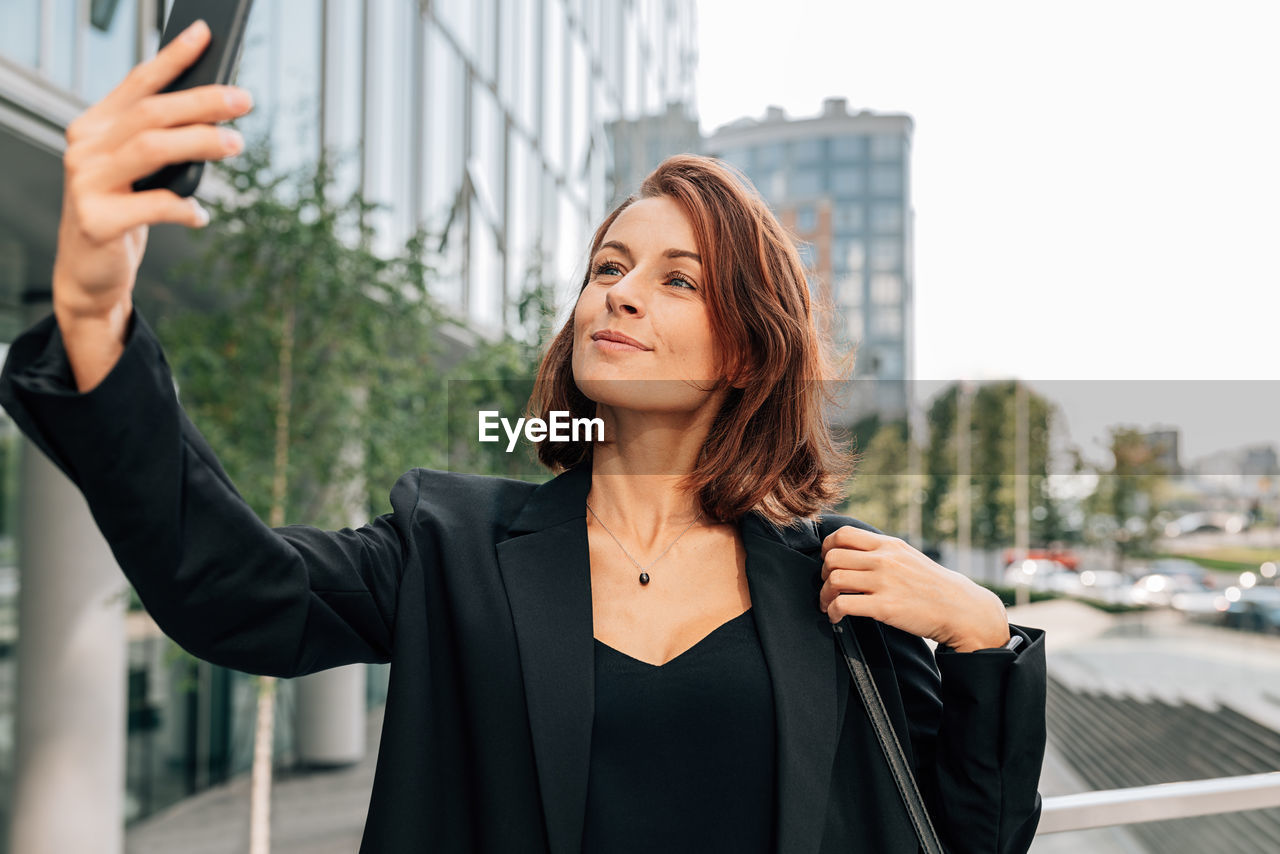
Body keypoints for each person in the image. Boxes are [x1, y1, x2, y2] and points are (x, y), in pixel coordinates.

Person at [0, 19, 1047, 854]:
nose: (621, 293)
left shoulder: (837, 584)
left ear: (744, 352)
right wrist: (95, 314)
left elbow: (968, 837)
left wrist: (979, 635)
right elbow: (231, 591)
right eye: (607, 266)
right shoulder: (450, 543)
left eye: (675, 278)